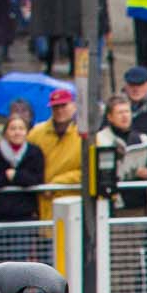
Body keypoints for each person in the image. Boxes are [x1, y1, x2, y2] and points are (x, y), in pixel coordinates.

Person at [0, 113, 44, 221]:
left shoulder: (35, 152)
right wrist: (4, 177)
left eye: (21, 129)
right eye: (13, 129)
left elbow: (37, 179)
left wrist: (16, 176)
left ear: (27, 132)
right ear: (5, 132)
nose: (17, 132)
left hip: (25, 213)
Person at [30, 89, 84, 219]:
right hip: (42, 204)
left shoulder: (85, 135)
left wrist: (58, 183)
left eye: (63, 105)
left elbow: (90, 171)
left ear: (74, 106)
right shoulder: (36, 133)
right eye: (55, 107)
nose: (59, 110)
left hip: (74, 205)